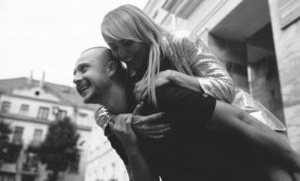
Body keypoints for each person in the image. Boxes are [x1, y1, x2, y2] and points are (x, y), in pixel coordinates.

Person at [73, 47, 300, 181]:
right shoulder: (116, 127)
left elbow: (242, 121)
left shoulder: (158, 93)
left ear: (111, 69)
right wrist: (131, 146)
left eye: (83, 69)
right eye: (74, 73)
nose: (75, 78)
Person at [101, 4, 286, 133]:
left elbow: (227, 89)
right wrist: (128, 122)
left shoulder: (179, 42)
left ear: (143, 34)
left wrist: (172, 76)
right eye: (114, 47)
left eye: (127, 43)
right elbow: (103, 110)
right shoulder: (130, 73)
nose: (122, 54)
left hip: (254, 129)